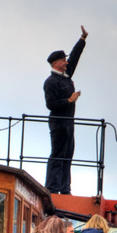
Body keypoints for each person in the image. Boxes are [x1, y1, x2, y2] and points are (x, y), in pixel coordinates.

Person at [43, 25, 88, 194]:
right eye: (63, 60)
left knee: (68, 155)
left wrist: (82, 40)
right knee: (57, 154)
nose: (66, 62)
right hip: (58, 123)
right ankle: (53, 187)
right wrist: (69, 100)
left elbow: (75, 57)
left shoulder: (66, 76)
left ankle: (65, 188)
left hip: (69, 123)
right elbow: (50, 104)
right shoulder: (50, 82)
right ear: (56, 63)